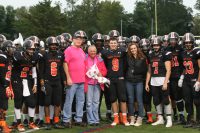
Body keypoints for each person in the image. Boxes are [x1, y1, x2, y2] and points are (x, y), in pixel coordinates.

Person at [101, 30, 129, 126]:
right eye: (111, 43)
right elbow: (103, 64)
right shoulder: (105, 52)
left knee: (123, 99)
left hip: (120, 78)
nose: (113, 44)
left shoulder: (122, 51)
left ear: (117, 43)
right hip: (111, 79)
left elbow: (126, 64)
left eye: (114, 43)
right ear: (109, 44)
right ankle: (116, 118)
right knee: (113, 99)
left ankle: (124, 118)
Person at [11, 40, 39, 131]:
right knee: (18, 102)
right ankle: (19, 123)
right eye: (30, 49)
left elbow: (34, 70)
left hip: (27, 80)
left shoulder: (35, 57)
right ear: (25, 48)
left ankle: (31, 122)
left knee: (31, 102)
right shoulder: (17, 55)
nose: (32, 51)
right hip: (17, 80)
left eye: (33, 49)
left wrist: (35, 84)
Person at [145, 37, 173, 128]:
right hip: (153, 81)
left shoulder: (165, 54)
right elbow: (149, 70)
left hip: (163, 79)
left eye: (157, 45)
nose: (155, 46)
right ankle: (160, 118)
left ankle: (169, 118)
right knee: (156, 100)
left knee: (165, 99)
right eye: (154, 45)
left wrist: (165, 82)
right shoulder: (150, 54)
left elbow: (168, 70)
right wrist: (147, 83)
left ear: (160, 45)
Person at [39, 36, 65, 130]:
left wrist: (64, 81)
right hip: (47, 81)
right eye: (52, 45)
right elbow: (41, 71)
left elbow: (61, 69)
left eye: (55, 45)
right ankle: (47, 122)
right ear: (48, 45)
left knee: (57, 102)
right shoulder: (44, 55)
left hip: (57, 81)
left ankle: (56, 121)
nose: (54, 46)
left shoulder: (61, 54)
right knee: (47, 102)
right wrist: (42, 82)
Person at [62, 30, 87, 128]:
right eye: (77, 38)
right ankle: (66, 120)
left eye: (80, 39)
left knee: (81, 101)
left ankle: (78, 119)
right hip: (72, 80)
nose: (79, 40)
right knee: (69, 100)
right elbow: (65, 63)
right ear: (73, 39)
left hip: (81, 80)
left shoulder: (81, 50)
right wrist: (68, 77)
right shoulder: (68, 49)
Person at [179, 33, 200, 128]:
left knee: (197, 101)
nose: (188, 44)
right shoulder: (183, 53)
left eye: (190, 42)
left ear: (193, 42)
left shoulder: (197, 52)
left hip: (195, 80)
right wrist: (182, 77)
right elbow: (184, 67)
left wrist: (199, 81)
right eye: (186, 42)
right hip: (186, 80)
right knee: (187, 101)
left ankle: (198, 121)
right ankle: (190, 119)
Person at [85, 45, 107, 126]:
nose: (93, 52)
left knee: (96, 102)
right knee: (89, 103)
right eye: (91, 51)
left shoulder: (100, 59)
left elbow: (105, 70)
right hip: (89, 83)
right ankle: (90, 120)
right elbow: (82, 69)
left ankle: (96, 119)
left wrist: (101, 74)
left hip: (97, 84)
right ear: (88, 51)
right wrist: (87, 71)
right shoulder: (84, 59)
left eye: (94, 51)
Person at [126, 43, 147, 126]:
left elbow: (144, 70)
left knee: (139, 100)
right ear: (129, 50)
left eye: (134, 48)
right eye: (131, 49)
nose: (133, 50)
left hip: (139, 81)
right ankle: (132, 117)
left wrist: (135, 71)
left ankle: (140, 118)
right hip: (129, 81)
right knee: (130, 100)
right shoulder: (127, 57)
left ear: (137, 48)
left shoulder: (142, 58)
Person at [167, 32, 185, 124]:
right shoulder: (166, 49)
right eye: (171, 40)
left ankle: (182, 115)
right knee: (172, 97)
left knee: (179, 97)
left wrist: (182, 76)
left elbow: (184, 64)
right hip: (169, 76)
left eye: (174, 40)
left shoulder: (181, 49)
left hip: (178, 76)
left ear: (177, 40)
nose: (173, 41)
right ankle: (175, 114)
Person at [0, 40, 15, 133]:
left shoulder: (9, 57)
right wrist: (6, 86)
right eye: (11, 48)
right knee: (2, 106)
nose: (12, 50)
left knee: (4, 106)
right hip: (1, 84)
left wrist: (9, 86)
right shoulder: (2, 56)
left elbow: (8, 74)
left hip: (4, 84)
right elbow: (1, 73)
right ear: (6, 48)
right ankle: (2, 127)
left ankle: (2, 126)